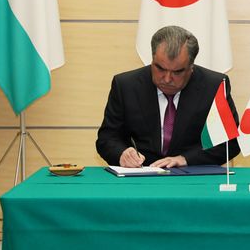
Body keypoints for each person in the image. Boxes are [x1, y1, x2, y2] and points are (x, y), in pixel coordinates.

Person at [96, 25, 240, 168]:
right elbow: (107, 138)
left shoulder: (214, 86)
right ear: (152, 60)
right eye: (160, 68)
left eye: (177, 72)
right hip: (142, 177)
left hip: (192, 177)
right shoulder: (126, 86)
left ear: (191, 68)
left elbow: (230, 143)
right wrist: (122, 153)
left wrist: (185, 159)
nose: (167, 79)